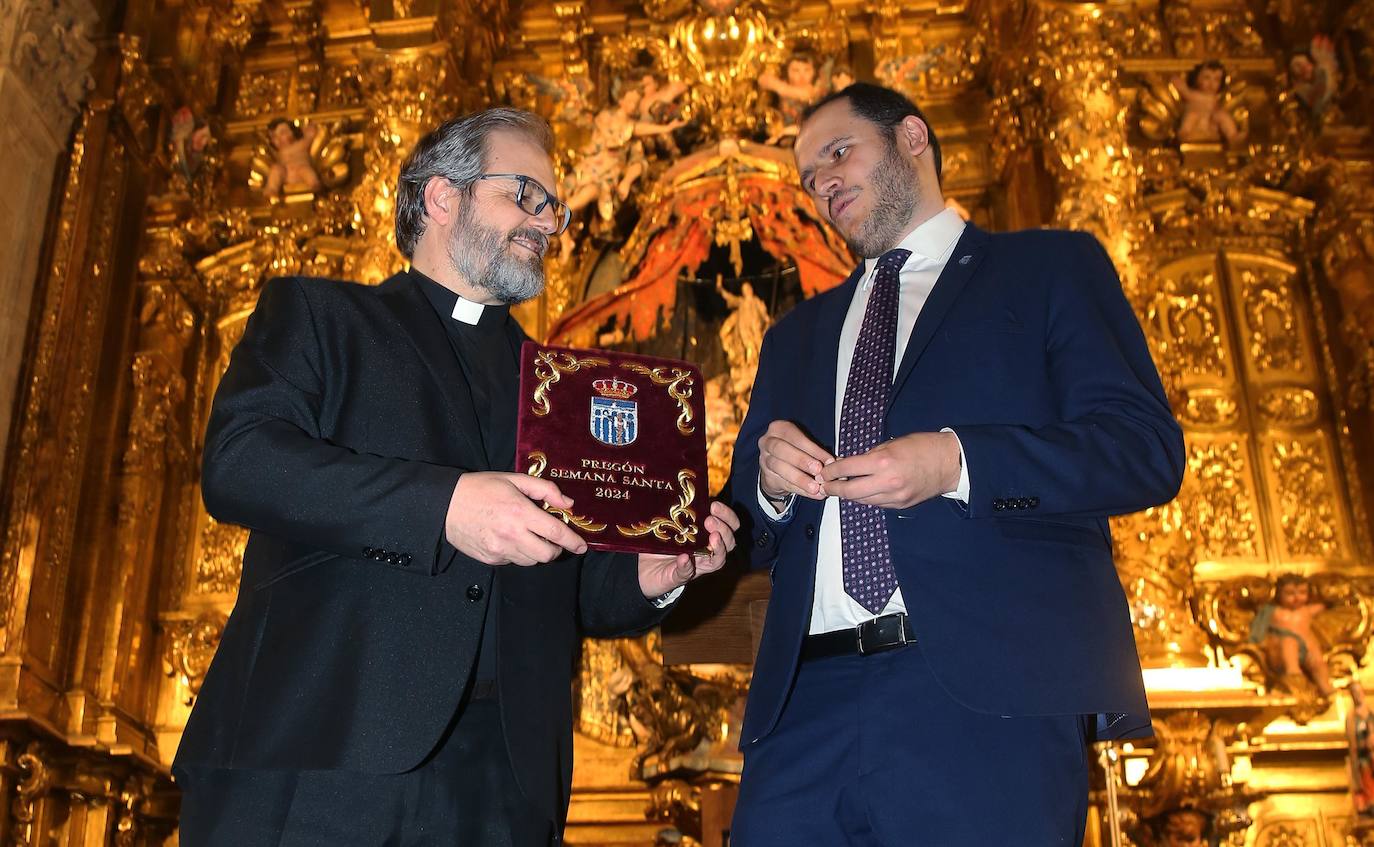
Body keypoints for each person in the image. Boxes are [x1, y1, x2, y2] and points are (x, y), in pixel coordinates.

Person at [174, 107, 739, 846]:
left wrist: (654, 573)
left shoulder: (560, 387)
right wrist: (443, 505)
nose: (548, 223)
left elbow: (574, 583)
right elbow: (240, 463)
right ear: (442, 197)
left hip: (502, 787)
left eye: (555, 207)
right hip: (323, 760)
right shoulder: (320, 315)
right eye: (524, 196)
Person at [727, 82, 1185, 844]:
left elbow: (1143, 450)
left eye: (839, 154)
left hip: (991, 697)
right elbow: (742, 522)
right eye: (809, 178)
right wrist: (768, 486)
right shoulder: (794, 335)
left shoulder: (1049, 269)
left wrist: (960, 463)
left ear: (913, 137)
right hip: (805, 705)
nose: (825, 184)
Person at [1249, 572, 1336, 697]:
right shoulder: (1274, 612)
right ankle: (1294, 675)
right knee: (1289, 642)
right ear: (1279, 594)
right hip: (1281, 649)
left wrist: (1329, 596)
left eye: (1302, 593)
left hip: (1307, 646)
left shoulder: (1306, 611)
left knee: (1318, 661)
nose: (1297, 598)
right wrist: (1257, 640)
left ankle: (1324, 685)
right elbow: (1260, 624)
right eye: (1290, 593)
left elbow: (1327, 604)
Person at [1173, 60, 1244, 145]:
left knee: (1223, 116)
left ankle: (1232, 135)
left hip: (1212, 120)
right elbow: (1185, 92)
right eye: (1207, 77)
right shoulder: (1195, 95)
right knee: (1191, 115)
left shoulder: (1215, 97)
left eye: (1216, 79)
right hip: (1197, 117)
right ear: (1196, 78)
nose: (1211, 83)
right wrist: (1179, 84)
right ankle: (1184, 132)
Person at [261, 117, 322, 196]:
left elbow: (310, 137)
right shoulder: (278, 152)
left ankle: (314, 184)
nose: (279, 139)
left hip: (299, 171)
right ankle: (272, 189)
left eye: (282, 133)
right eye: (274, 137)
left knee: (305, 170)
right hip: (286, 174)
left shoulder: (301, 144)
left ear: (292, 132)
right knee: (275, 170)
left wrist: (309, 131)